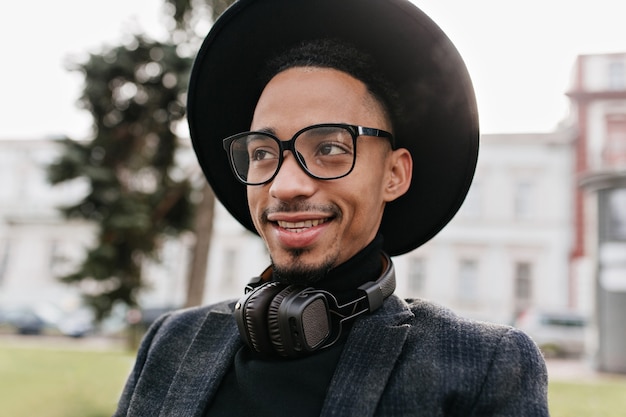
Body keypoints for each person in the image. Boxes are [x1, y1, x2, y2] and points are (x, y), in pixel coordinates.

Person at [114, 0, 550, 415]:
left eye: (328, 147)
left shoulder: (481, 367)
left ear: (394, 174)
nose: (285, 186)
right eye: (263, 152)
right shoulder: (170, 343)